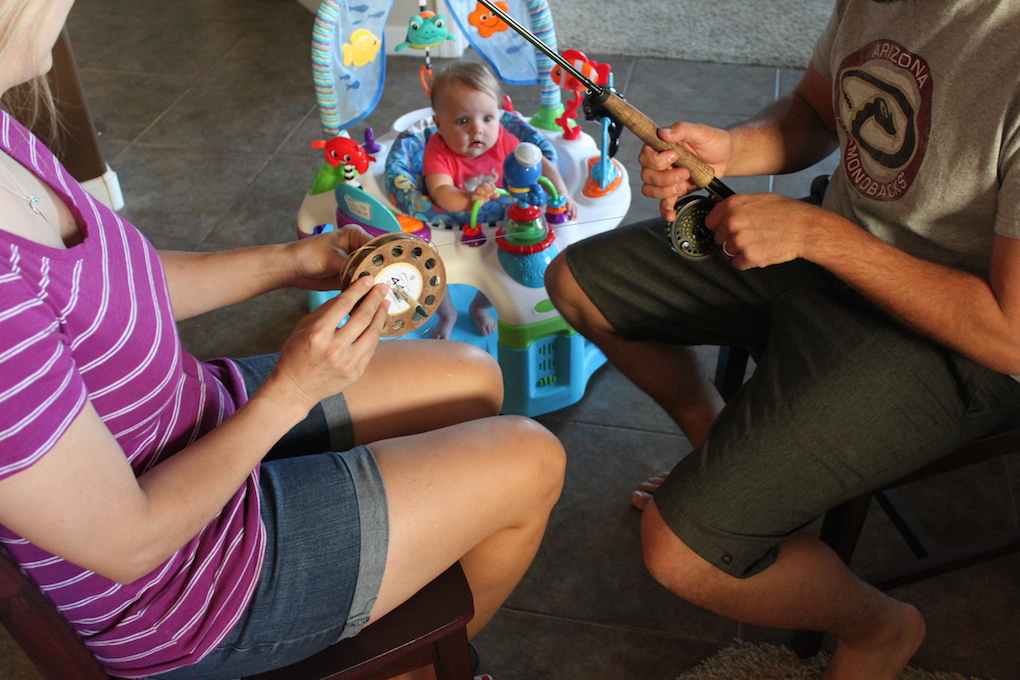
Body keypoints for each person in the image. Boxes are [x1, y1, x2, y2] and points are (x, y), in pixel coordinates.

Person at [0, 3, 566, 680]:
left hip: (194, 419)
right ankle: (425, 667)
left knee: (476, 378)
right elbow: (129, 542)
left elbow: (120, 287)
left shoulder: (8, 132)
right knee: (533, 460)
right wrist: (291, 393)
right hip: (183, 585)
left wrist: (288, 263)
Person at [544, 0, 1020, 678]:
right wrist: (729, 148)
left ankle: (881, 628)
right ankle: (715, 438)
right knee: (576, 283)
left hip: (952, 344)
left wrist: (825, 237)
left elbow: (1011, 335)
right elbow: (815, 113)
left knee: (679, 553)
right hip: (831, 253)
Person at [423, 62, 577, 339]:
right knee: (432, 267)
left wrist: (562, 193)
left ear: (499, 115)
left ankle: (480, 307)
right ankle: (447, 314)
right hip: (457, 228)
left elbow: (541, 163)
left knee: (504, 271)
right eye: (462, 121)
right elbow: (440, 192)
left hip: (503, 225)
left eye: (487, 118)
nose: (477, 130)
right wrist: (470, 199)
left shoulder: (503, 140)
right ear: (439, 125)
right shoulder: (438, 150)